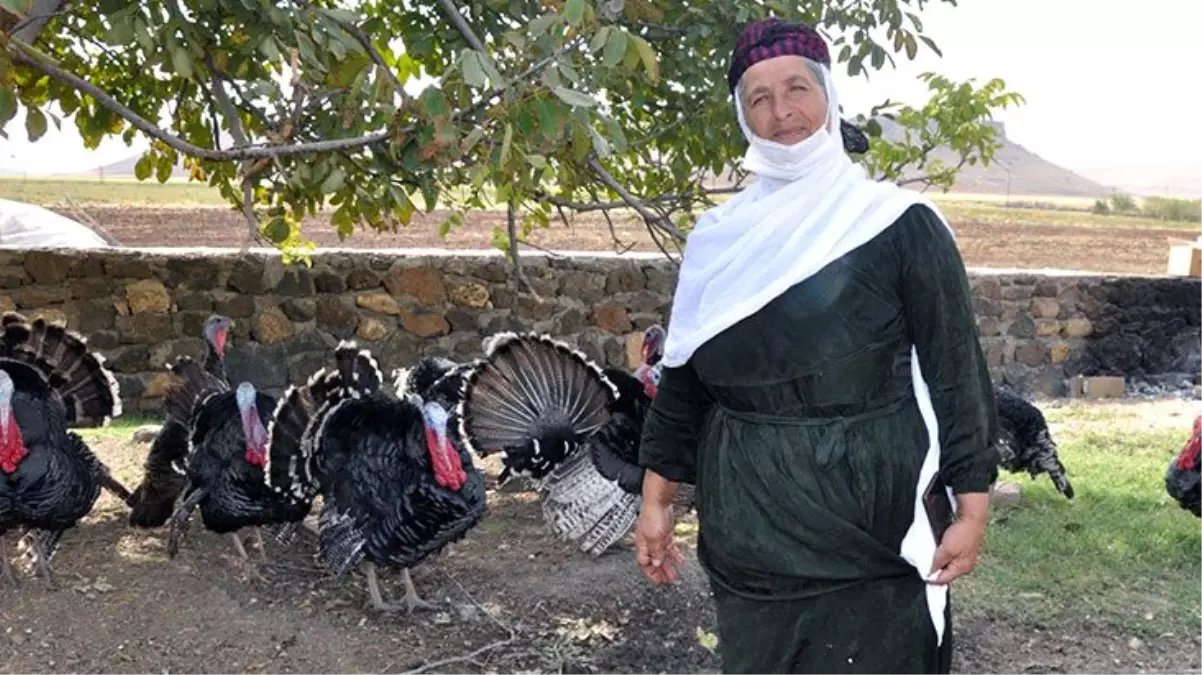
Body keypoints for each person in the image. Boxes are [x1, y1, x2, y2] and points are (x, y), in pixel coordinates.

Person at [633, 16, 1000, 674]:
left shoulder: (897, 225)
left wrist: (972, 509)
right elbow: (684, 383)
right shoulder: (719, 239)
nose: (783, 113)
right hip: (751, 542)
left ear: (829, 94)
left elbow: (956, 374)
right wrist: (656, 501)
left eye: (797, 88)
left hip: (873, 537)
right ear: (741, 116)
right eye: (759, 98)